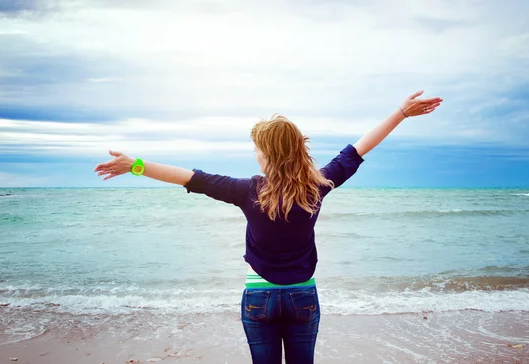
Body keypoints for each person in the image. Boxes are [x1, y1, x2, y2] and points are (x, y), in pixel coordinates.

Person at [93, 91, 442, 364]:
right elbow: (358, 149)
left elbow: (189, 177)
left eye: (258, 149)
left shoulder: (246, 190)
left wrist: (135, 165)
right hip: (302, 295)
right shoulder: (318, 185)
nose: (255, 154)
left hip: (259, 298)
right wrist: (400, 113)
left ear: (267, 154)